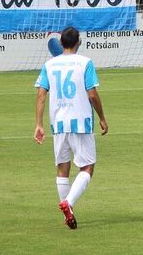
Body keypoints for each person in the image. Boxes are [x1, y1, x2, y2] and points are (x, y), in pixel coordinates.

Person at [33, 26, 109, 230]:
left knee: (62, 169)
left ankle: (68, 213)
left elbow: (41, 95)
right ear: (78, 42)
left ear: (61, 43)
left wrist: (39, 124)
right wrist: (102, 117)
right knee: (87, 167)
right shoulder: (85, 63)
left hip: (58, 124)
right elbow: (92, 94)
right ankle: (69, 203)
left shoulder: (49, 65)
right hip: (81, 122)